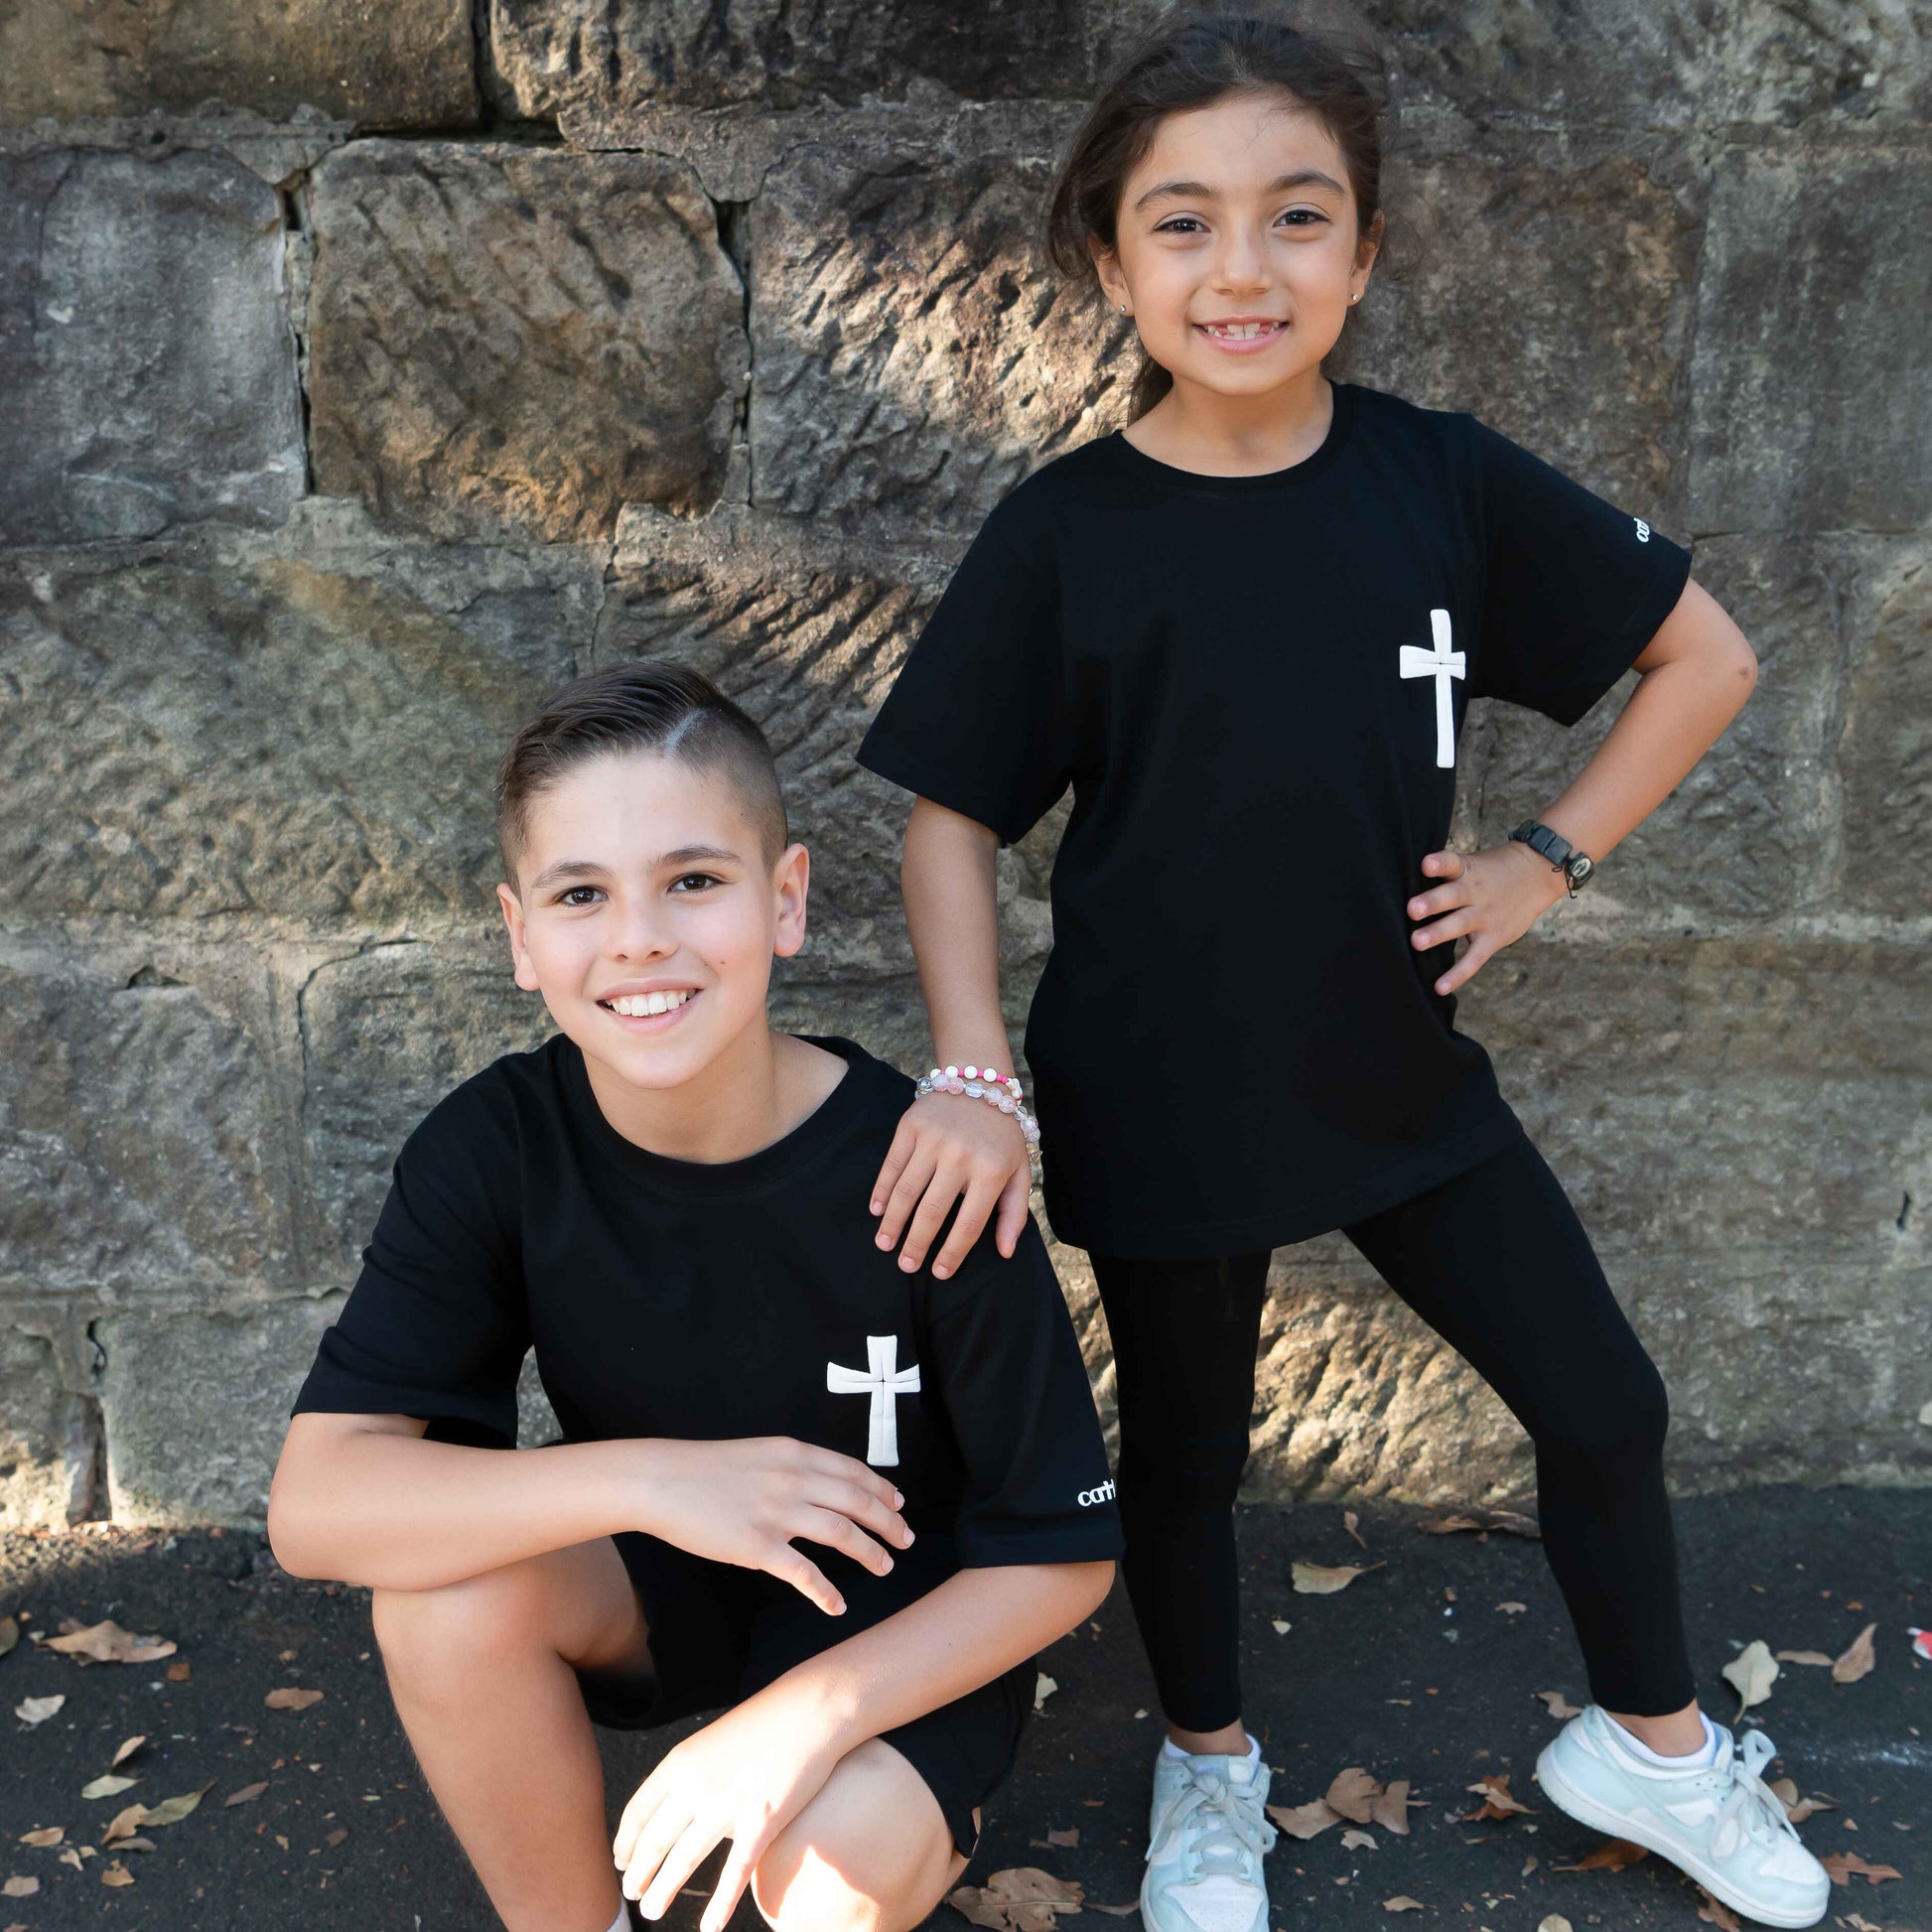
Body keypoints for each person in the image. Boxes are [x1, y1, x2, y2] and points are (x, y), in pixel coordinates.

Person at [852, 14, 1832, 1931]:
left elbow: (1703, 655)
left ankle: (1648, 1749)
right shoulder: (1065, 536)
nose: (1244, 268)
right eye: (1185, 222)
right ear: (1112, 264)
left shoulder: (1437, 482)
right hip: (1154, 1084)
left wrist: (1544, 861)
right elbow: (946, 820)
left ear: (1363, 253)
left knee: (1604, 1400)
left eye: (1296, 216)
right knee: (1191, 1460)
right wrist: (971, 1067)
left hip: (1396, 1076)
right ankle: (1208, 1765)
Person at [266, 661, 1121, 1932]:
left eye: (692, 880)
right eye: (580, 893)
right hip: (661, 1581)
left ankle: (912, 1802)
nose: (637, 938)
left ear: (784, 899)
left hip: (900, 1616)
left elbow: (1061, 1553)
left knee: (821, 1874)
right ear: (519, 935)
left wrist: (797, 1718)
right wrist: (657, 1478)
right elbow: (316, 1506)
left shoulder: (926, 1162)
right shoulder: (497, 1147)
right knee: (442, 1595)